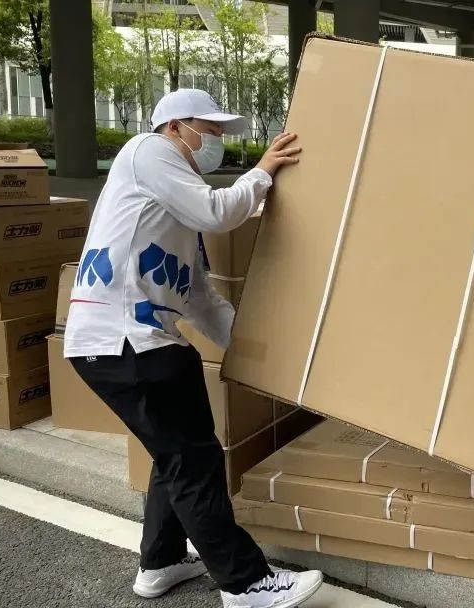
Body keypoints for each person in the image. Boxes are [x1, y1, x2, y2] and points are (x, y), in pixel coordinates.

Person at [65, 89, 323, 608]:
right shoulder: (147, 150)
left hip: (129, 344)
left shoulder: (174, 205)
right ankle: (246, 584)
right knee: (193, 460)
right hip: (126, 342)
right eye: (211, 130)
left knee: (176, 453)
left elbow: (200, 299)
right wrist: (263, 172)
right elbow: (218, 211)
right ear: (176, 126)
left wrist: (257, 357)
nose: (217, 141)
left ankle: (159, 563)